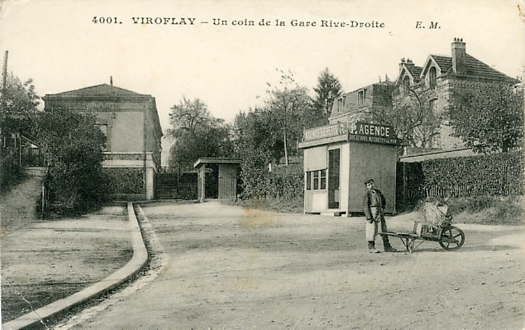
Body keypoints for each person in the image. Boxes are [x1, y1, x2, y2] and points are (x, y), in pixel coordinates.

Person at [362, 178, 397, 253]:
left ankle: (387, 246)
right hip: (372, 213)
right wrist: (369, 217)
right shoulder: (367, 194)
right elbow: (365, 206)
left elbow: (383, 201)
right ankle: (371, 247)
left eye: (372, 184)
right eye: (369, 185)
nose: (371, 186)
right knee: (372, 230)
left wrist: (382, 208)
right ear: (366, 187)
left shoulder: (378, 192)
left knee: (383, 229)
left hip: (380, 213)